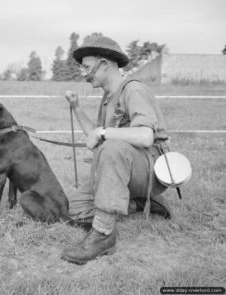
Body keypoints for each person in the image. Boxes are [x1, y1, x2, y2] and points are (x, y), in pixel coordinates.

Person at [61, 35, 172, 265]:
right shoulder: (107, 98)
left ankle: (103, 235)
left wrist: (104, 134)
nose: (83, 74)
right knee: (70, 208)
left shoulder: (133, 90)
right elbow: (96, 134)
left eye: (87, 67)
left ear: (105, 64)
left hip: (150, 170)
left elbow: (145, 135)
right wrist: (77, 108)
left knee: (111, 147)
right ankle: (136, 204)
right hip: (124, 166)